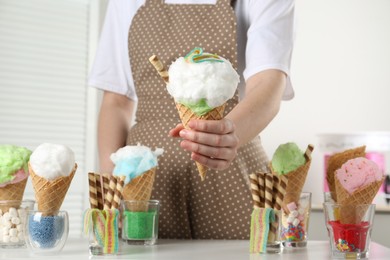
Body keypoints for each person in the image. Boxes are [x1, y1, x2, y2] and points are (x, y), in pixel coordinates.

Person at [89, 0, 295, 239]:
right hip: (145, 176)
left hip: (232, 167)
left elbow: (268, 83)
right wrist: (110, 190)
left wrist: (228, 134)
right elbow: (116, 101)